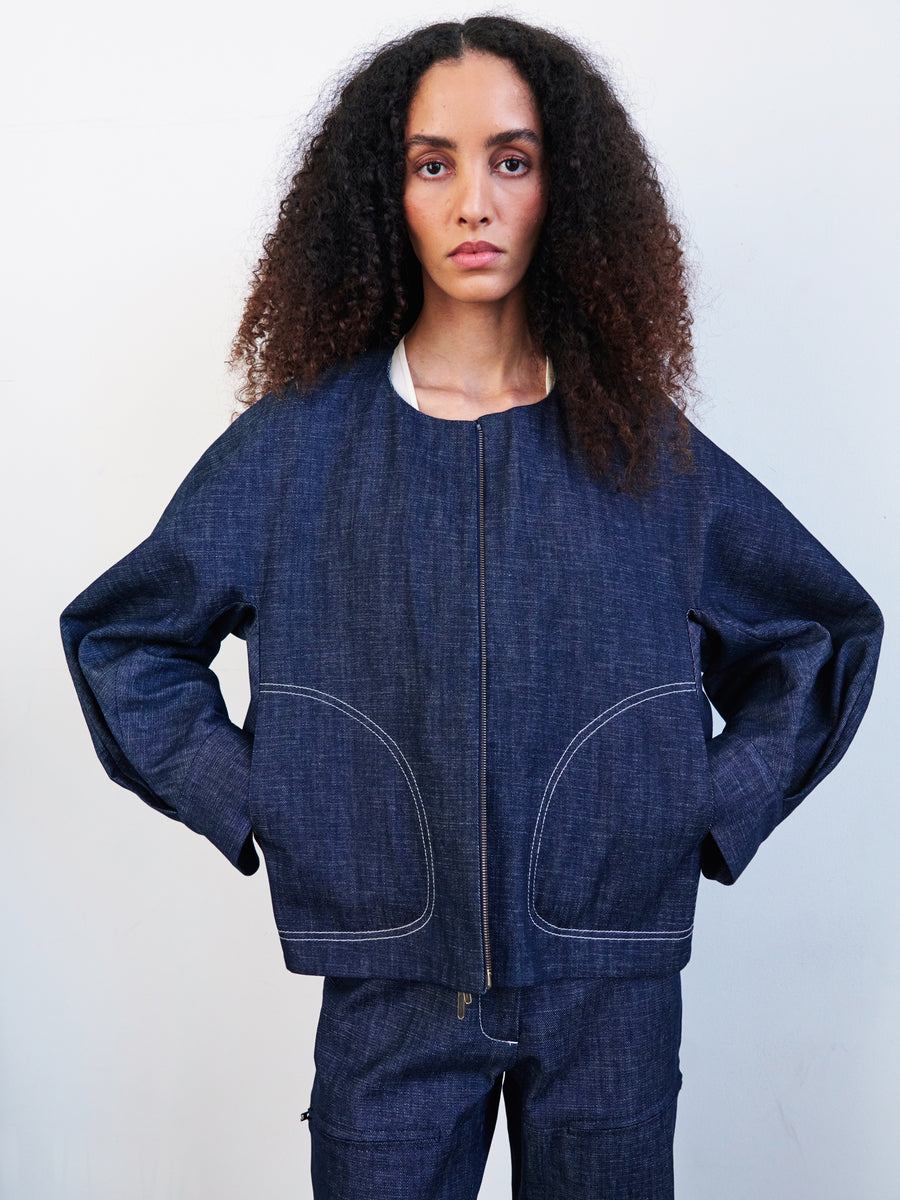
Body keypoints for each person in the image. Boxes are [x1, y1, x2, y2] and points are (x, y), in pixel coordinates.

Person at [59, 16, 883, 1199]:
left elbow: (818, 634)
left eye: (512, 158)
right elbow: (126, 636)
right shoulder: (295, 451)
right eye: (432, 163)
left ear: (566, 187)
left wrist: (696, 806)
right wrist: (265, 799)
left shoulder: (644, 455)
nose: (474, 203)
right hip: (390, 990)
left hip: (610, 989)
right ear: (381, 194)